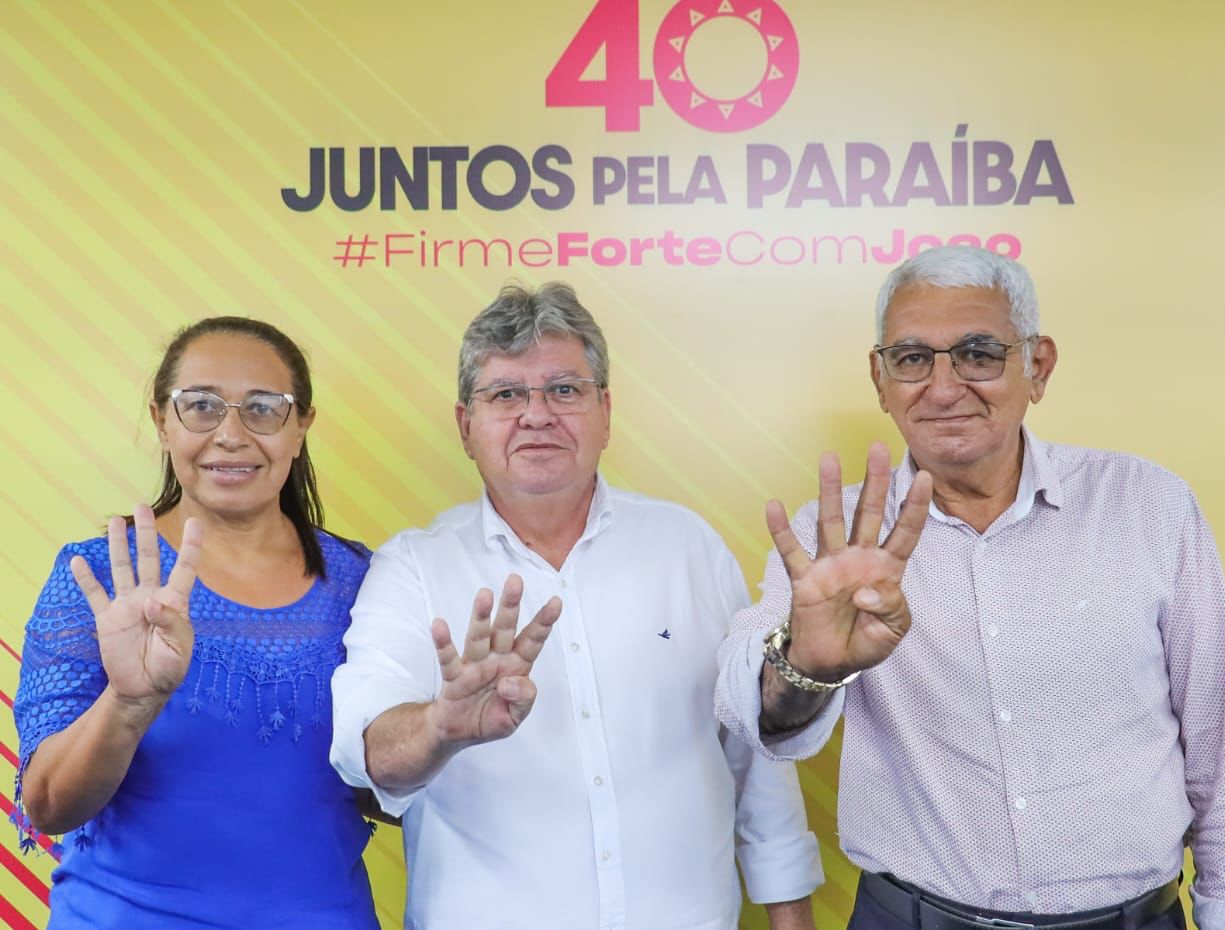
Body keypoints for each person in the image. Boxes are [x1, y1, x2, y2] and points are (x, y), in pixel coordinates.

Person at [714, 246, 1225, 930]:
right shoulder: (834, 544)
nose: (944, 386)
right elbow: (749, 705)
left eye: (978, 353)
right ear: (880, 377)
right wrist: (807, 666)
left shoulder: (1147, 505)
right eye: (913, 358)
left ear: (1037, 366)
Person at [330, 282, 823, 930]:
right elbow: (364, 747)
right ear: (465, 425)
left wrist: (791, 917)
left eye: (564, 389)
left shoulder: (688, 547)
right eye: (506, 393)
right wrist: (439, 726)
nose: (537, 414)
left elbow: (753, 750)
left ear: (606, 411)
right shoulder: (412, 568)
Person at [12, 317, 380, 930]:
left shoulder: (364, 582)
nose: (231, 435)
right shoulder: (100, 575)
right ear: (161, 421)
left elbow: (387, 790)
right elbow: (47, 804)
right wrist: (131, 703)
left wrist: (445, 733)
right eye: (201, 407)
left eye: (264, 408)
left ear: (301, 427)